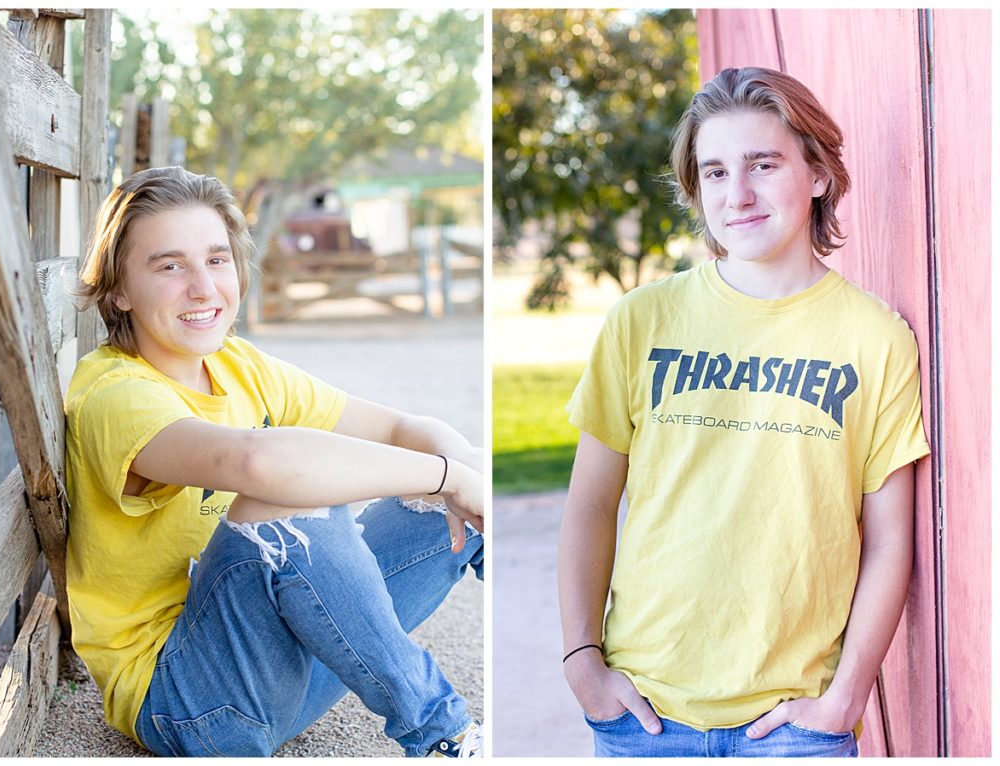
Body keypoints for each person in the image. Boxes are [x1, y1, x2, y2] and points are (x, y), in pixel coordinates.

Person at [559, 66, 931, 758]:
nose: (740, 195)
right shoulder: (641, 321)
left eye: (763, 164)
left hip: (794, 724)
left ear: (817, 173)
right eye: (716, 172)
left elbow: (889, 539)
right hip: (646, 712)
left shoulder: (876, 338)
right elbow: (589, 503)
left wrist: (846, 695)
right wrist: (583, 660)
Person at [66, 166, 484, 757]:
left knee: (457, 473)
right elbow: (260, 466)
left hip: (285, 673)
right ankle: (445, 735)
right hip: (189, 703)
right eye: (169, 266)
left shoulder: (239, 364)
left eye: (216, 259)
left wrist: (465, 468)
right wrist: (449, 477)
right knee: (286, 496)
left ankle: (566, 681)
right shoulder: (114, 395)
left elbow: (398, 428)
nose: (204, 287)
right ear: (118, 290)